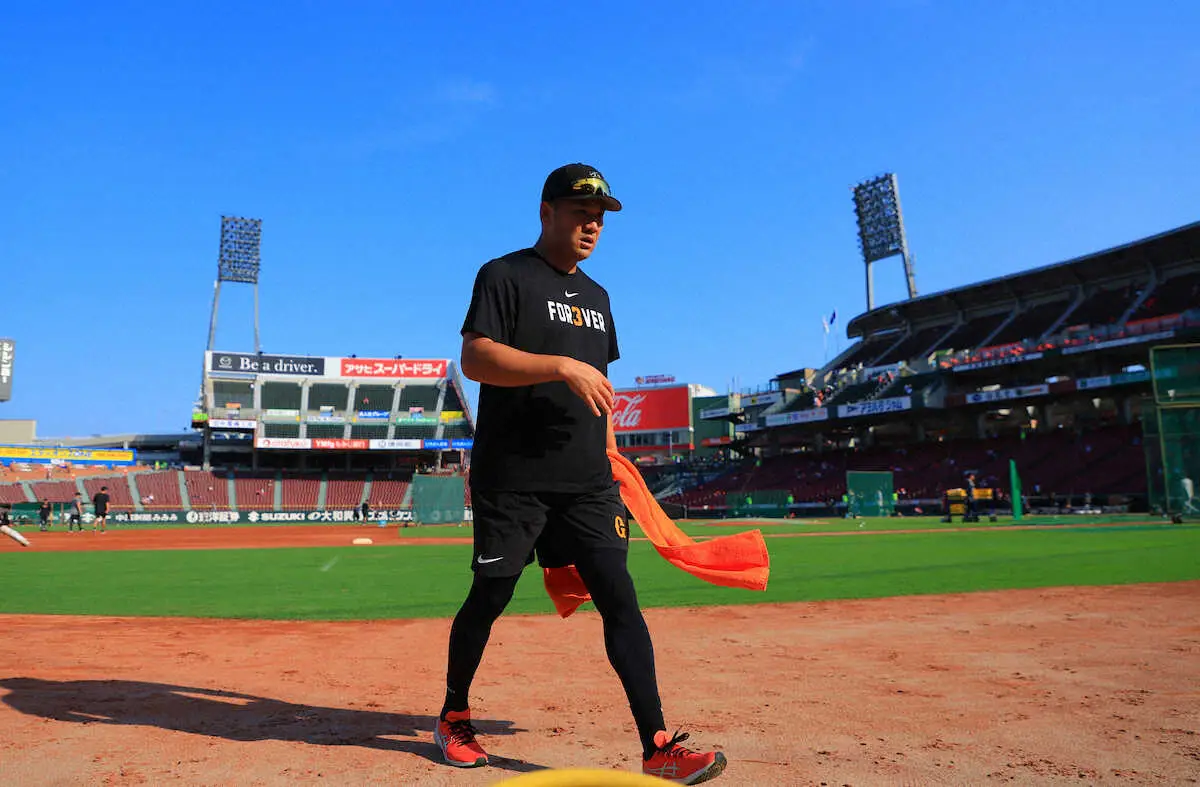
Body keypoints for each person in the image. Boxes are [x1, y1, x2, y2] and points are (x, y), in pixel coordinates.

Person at [434, 163, 725, 784]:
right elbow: (476, 356)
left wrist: (614, 458)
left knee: (621, 599)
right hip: (512, 478)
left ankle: (658, 744)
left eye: (600, 217)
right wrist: (561, 366)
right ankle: (454, 714)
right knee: (492, 593)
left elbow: (603, 391)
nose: (592, 225)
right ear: (546, 212)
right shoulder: (504, 275)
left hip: (588, 481)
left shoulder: (599, 297)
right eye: (579, 213)